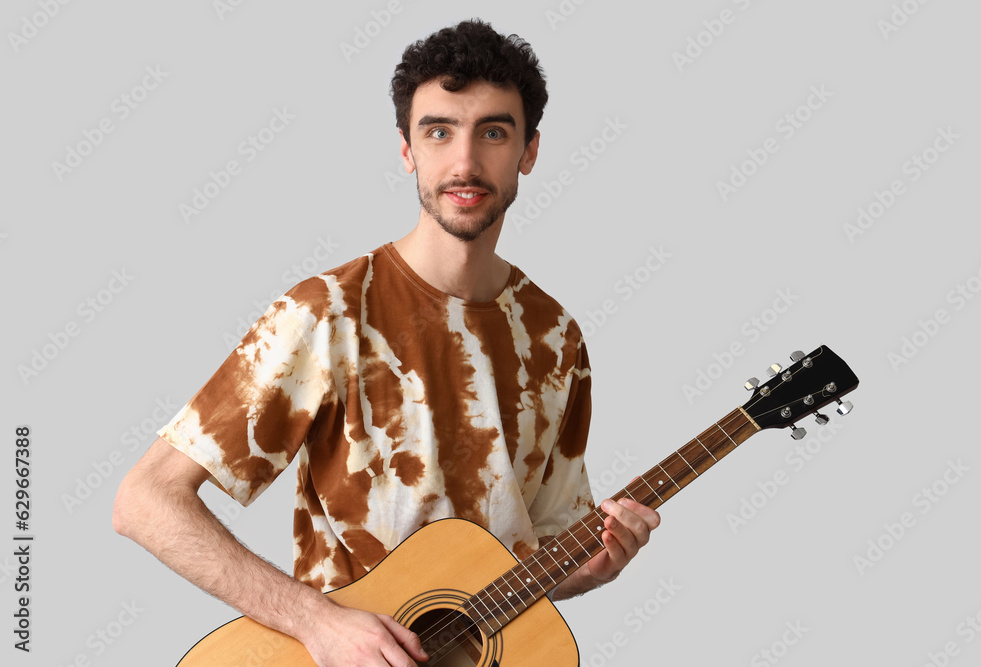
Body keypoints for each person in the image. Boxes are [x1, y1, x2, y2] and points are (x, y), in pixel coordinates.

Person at [113, 18, 659, 667]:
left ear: (529, 151)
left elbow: (530, 554)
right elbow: (144, 500)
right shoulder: (329, 313)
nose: (465, 161)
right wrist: (317, 622)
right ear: (407, 149)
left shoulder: (554, 334)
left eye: (493, 131)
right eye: (438, 131)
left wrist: (589, 567)